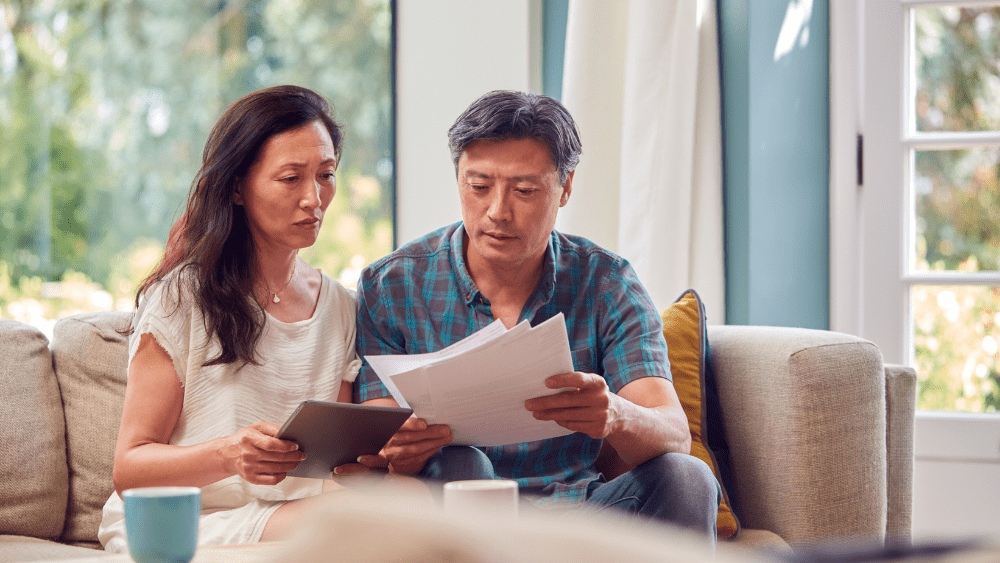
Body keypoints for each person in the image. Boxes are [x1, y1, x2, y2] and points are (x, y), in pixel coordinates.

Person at [352, 90, 721, 540]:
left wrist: (615, 414)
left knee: (688, 476)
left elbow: (673, 435)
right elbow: (381, 435)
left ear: (565, 188)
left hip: (579, 515)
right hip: (456, 517)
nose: (497, 212)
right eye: (479, 186)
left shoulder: (607, 282)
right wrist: (401, 452)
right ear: (458, 179)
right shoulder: (391, 286)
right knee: (462, 461)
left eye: (524, 190)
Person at [99, 85, 363, 551]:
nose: (314, 198)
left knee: (409, 499)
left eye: (325, 174)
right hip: (188, 518)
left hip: (298, 514)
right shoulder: (181, 298)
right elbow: (130, 468)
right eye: (290, 179)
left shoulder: (340, 305)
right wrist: (229, 454)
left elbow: (333, 465)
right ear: (238, 187)